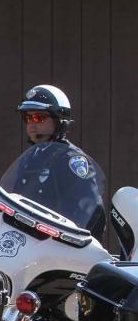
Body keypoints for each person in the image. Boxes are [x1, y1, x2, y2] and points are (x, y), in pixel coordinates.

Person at [12, 85, 105, 238]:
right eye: (28, 118)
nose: (32, 124)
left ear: (59, 120)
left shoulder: (72, 160)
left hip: (57, 248)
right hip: (26, 242)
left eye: (39, 118)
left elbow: (91, 212)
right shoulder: (30, 159)